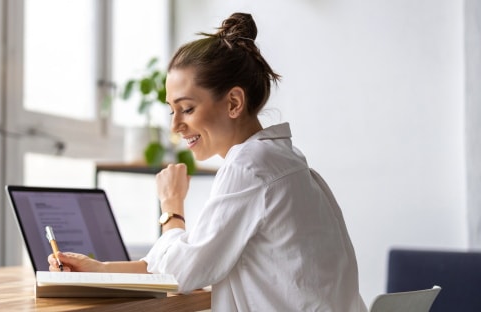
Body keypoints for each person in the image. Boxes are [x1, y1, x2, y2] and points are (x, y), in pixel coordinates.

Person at [47, 12, 367, 311]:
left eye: (186, 109)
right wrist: (102, 271)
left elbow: (182, 273)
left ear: (233, 102)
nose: (175, 126)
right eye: (171, 110)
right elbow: (191, 255)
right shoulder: (283, 161)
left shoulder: (249, 166)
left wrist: (171, 206)